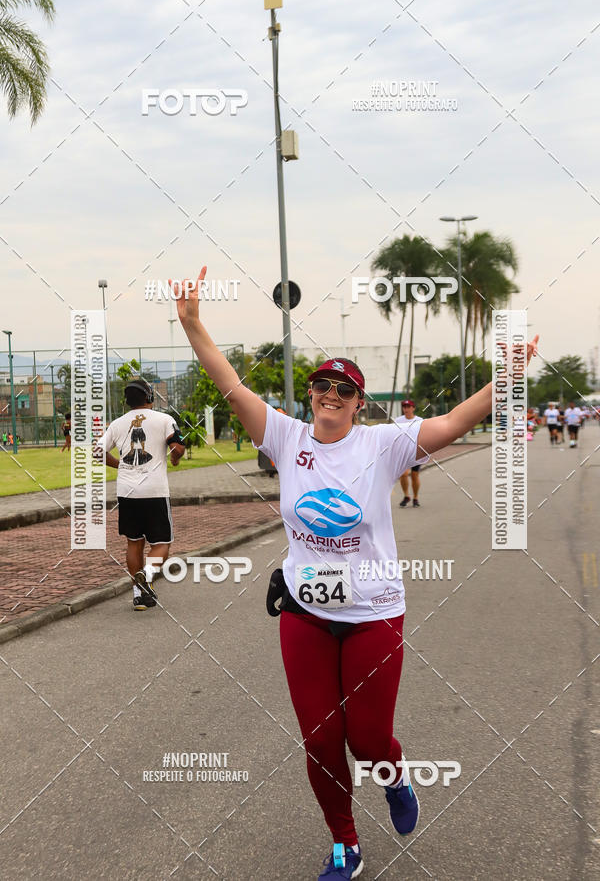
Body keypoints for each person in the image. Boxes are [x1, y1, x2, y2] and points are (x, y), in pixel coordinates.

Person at [173, 269, 538, 878]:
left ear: (359, 402)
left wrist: (507, 380)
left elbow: (451, 424)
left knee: (368, 742)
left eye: (344, 389)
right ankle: (345, 840)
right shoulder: (285, 437)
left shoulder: (383, 444)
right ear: (312, 394)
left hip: (372, 613)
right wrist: (191, 324)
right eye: (323, 385)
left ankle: (393, 779)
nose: (331, 395)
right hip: (306, 611)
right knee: (320, 738)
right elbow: (231, 385)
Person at [95, 378, 185, 610]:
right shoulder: (165, 419)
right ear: (149, 397)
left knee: (134, 543)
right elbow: (178, 446)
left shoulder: (116, 423)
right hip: (154, 490)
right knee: (162, 544)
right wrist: (174, 458)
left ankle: (139, 594)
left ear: (128, 401)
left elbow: (97, 452)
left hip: (127, 492)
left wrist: (121, 466)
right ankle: (147, 573)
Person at [397, 399, 422, 507]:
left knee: (415, 475)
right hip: (403, 452)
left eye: (408, 407)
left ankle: (415, 498)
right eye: (404, 407)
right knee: (403, 474)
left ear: (413, 408)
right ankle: (407, 496)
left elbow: (423, 435)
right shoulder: (398, 420)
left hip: (416, 451)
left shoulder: (419, 420)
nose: (406, 409)